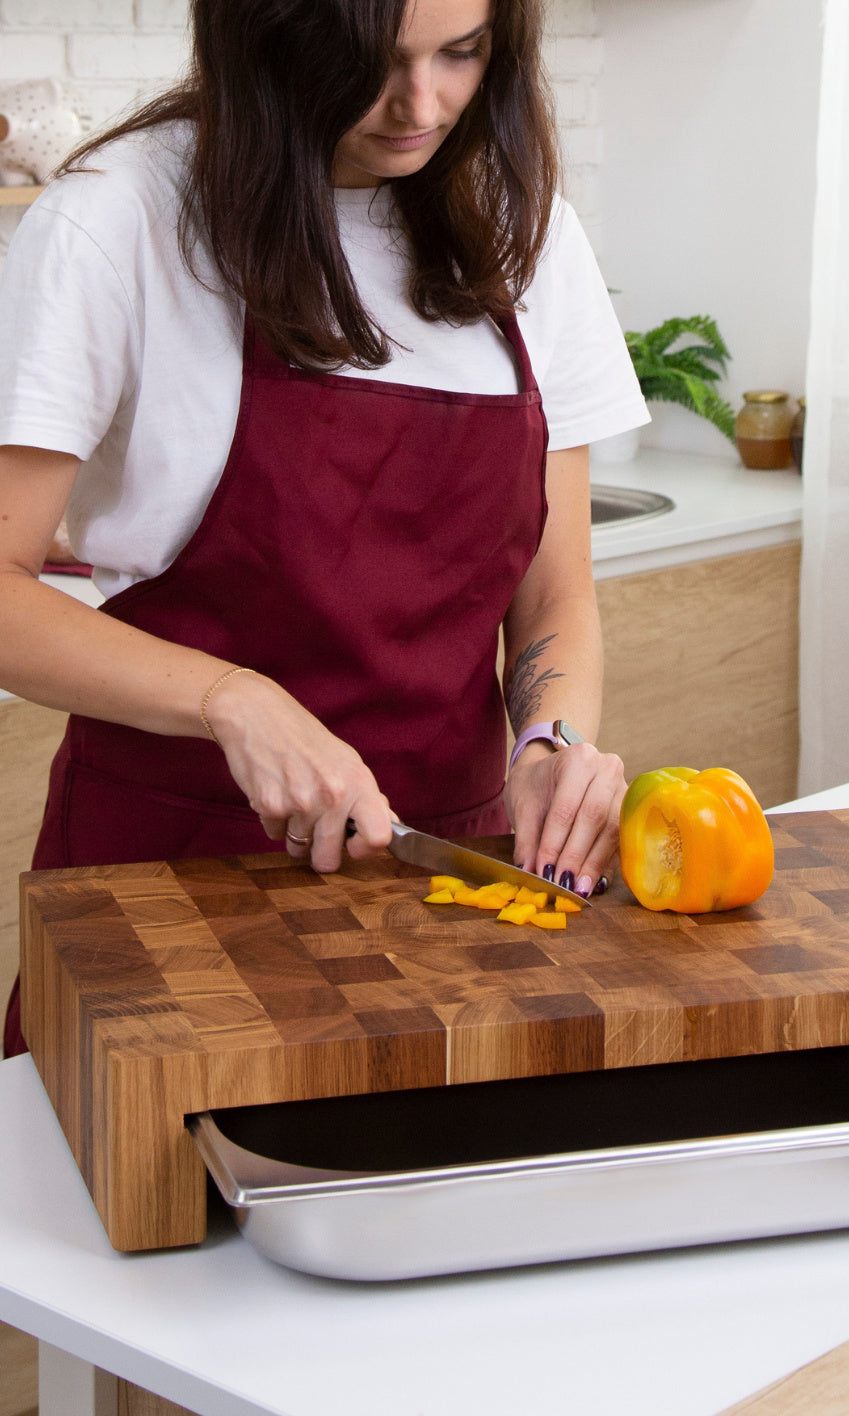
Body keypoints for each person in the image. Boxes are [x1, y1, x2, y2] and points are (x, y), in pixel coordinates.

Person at [0, 0, 647, 1057]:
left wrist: (549, 741)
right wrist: (231, 700)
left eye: (462, 54)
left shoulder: (518, 221)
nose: (422, 104)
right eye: (376, 63)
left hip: (450, 878)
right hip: (175, 876)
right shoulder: (119, 216)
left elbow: (554, 588)